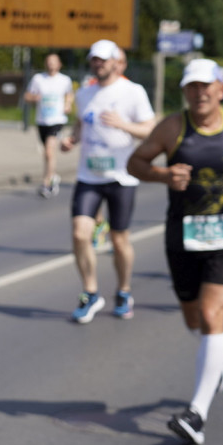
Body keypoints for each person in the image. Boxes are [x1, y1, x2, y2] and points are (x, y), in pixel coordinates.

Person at [127, 58, 223, 445]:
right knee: (194, 320)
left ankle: (196, 414)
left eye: (206, 86)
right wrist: (162, 174)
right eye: (192, 87)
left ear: (221, 88)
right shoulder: (173, 127)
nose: (199, 93)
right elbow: (135, 161)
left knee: (213, 314)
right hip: (183, 235)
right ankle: (215, 363)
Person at [60, 39, 155, 323]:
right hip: (89, 176)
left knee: (119, 239)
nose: (98, 64)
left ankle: (124, 290)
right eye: (94, 59)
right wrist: (72, 139)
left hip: (121, 177)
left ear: (116, 62)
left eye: (103, 60)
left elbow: (149, 129)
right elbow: (81, 124)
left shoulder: (133, 92)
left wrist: (123, 124)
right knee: (80, 234)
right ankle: (90, 292)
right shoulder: (85, 94)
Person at [23, 52, 75, 197]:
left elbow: (69, 94)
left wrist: (68, 104)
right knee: (47, 153)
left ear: (59, 64)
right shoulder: (38, 79)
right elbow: (27, 96)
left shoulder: (64, 80)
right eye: (49, 61)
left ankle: (47, 183)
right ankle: (52, 175)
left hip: (57, 120)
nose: (51, 64)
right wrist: (35, 97)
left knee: (49, 151)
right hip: (42, 120)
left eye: (54, 61)